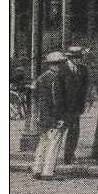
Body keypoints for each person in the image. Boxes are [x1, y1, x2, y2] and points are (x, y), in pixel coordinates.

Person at [31, 52, 70, 180]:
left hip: (42, 115)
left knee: (42, 142)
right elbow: (56, 100)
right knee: (53, 143)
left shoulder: (41, 78)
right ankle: (47, 172)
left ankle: (37, 169)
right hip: (53, 116)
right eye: (61, 63)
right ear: (57, 65)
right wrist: (59, 118)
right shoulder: (55, 79)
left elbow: (35, 97)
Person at [61, 46, 90, 164]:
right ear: (70, 57)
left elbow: (85, 87)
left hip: (76, 107)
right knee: (59, 131)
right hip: (63, 107)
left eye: (80, 57)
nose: (78, 60)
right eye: (76, 57)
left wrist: (86, 101)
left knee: (74, 131)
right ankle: (50, 156)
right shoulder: (62, 70)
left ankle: (69, 156)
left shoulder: (83, 69)